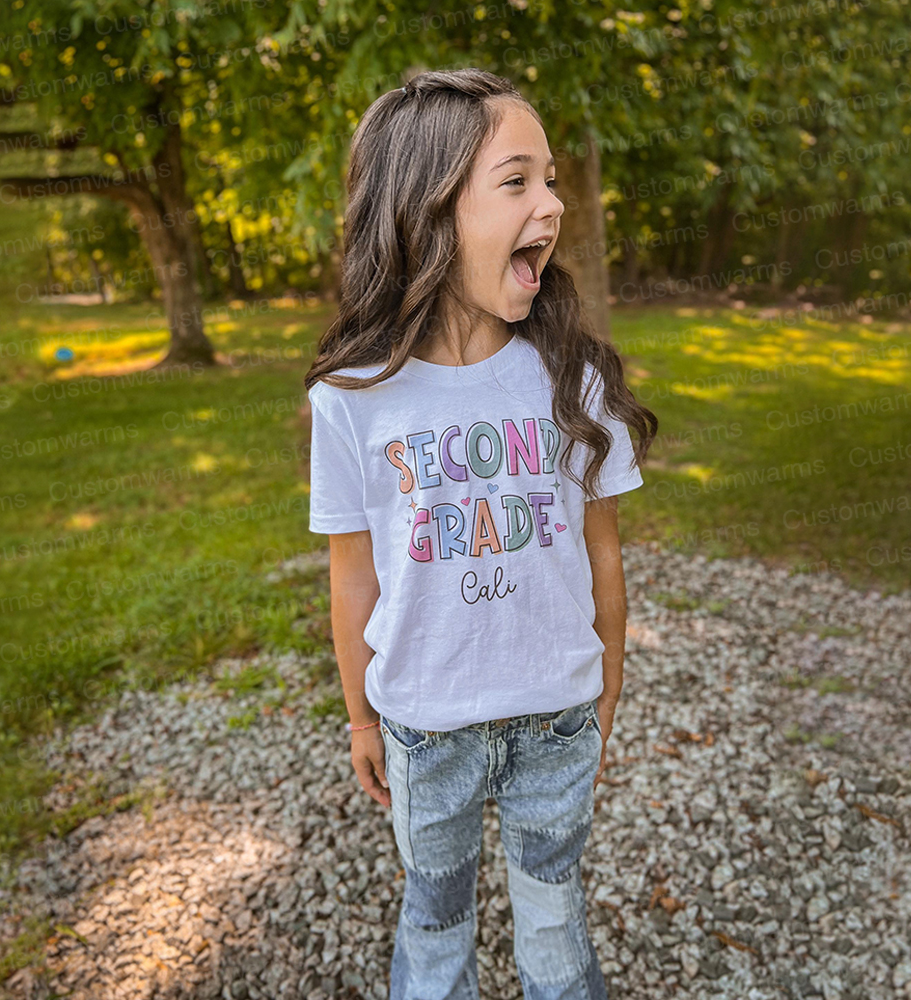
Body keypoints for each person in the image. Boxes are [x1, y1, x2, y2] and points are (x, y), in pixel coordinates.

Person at [304, 68, 658, 1000]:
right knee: (435, 921)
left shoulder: (572, 378)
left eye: (551, 180)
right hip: (427, 730)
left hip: (556, 725)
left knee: (554, 921)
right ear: (428, 214)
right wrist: (361, 716)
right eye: (517, 182)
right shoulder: (351, 402)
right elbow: (353, 579)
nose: (552, 203)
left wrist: (606, 693)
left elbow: (602, 554)